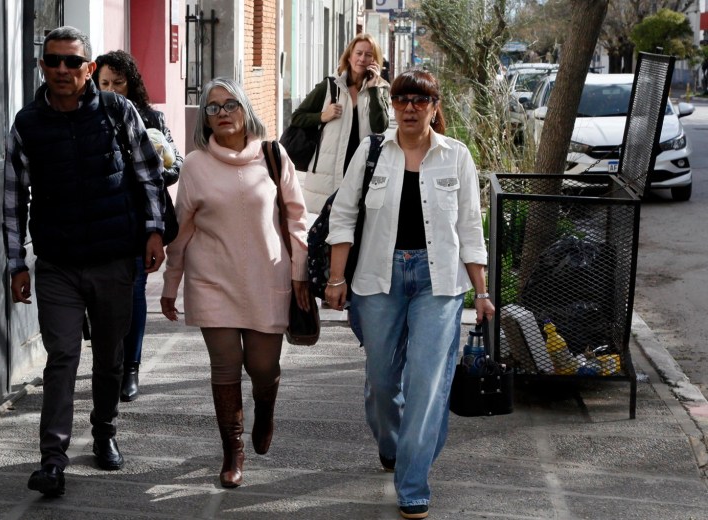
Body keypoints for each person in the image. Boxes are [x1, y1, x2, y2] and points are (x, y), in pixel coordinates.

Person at [3, 26, 167, 498]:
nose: (62, 69)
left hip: (113, 259)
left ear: (89, 68)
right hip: (58, 263)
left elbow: (149, 174)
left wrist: (154, 231)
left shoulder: (117, 111)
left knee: (110, 355)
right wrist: (16, 263)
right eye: (53, 61)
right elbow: (13, 198)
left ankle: (104, 430)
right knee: (62, 357)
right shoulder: (27, 124)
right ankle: (52, 461)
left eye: (72, 62)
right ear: (42, 66)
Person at [324, 69, 495, 519]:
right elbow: (343, 215)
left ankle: (413, 482)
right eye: (403, 100)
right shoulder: (372, 151)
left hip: (438, 282)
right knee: (382, 381)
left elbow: (470, 227)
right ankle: (393, 444)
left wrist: (481, 292)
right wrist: (336, 279)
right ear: (393, 105)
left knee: (427, 381)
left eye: (421, 100)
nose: (411, 108)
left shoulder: (456, 155)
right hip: (378, 279)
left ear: (435, 107)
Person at [159, 78, 311, 488]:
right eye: (213, 108)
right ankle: (233, 451)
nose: (223, 112)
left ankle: (265, 409)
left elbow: (297, 218)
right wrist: (171, 285)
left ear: (245, 110)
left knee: (263, 366)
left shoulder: (273, 155)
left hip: (267, 277)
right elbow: (181, 231)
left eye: (231, 104)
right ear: (205, 120)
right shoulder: (195, 165)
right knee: (225, 366)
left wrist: (300, 272)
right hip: (212, 281)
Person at [94, 50, 184, 402]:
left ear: (131, 83)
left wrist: (151, 166)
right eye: (104, 83)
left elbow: (175, 166)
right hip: (101, 222)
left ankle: (130, 366)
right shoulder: (88, 117)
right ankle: (108, 363)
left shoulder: (151, 118)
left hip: (140, 221)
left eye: (118, 83)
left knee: (134, 291)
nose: (112, 89)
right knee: (100, 297)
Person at [289, 32, 391, 214]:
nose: (362, 59)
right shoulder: (330, 86)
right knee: (326, 225)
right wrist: (322, 116)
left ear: (375, 61)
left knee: (357, 224)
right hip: (328, 173)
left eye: (368, 55)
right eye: (358, 53)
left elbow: (380, 127)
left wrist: (374, 90)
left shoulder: (380, 89)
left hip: (361, 169)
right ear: (349, 56)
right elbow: (297, 117)